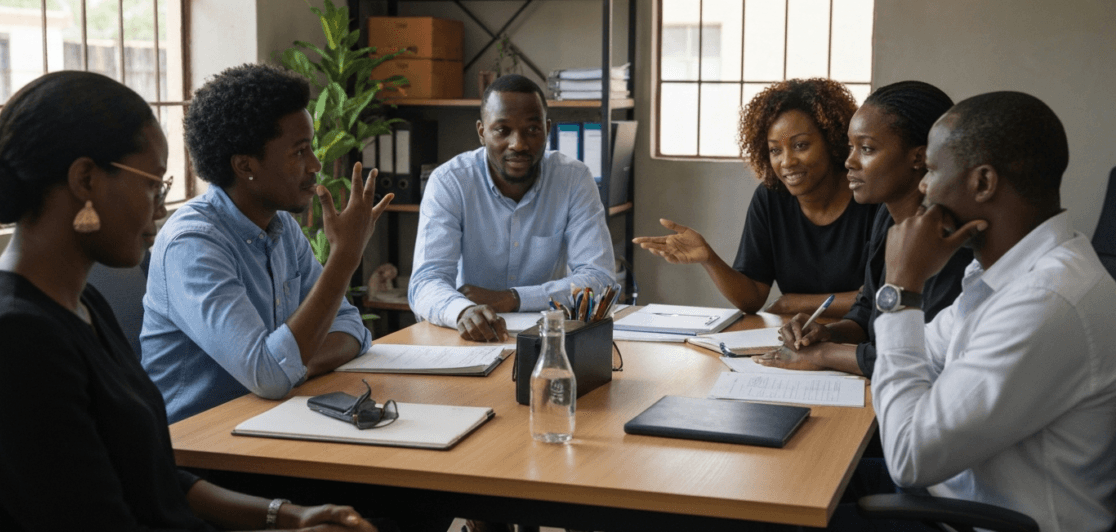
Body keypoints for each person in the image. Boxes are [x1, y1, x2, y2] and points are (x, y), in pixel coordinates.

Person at [0, 71, 376, 531]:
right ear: (85, 179)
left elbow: (153, 478)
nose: (161, 209)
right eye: (152, 185)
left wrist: (286, 517)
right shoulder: (13, 334)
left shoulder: (84, 307)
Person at [862, 92, 1116, 531]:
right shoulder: (1007, 274)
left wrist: (902, 289)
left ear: (983, 183)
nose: (922, 186)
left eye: (934, 170)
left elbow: (908, 456)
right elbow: (926, 354)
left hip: (979, 520)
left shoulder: (1047, 300)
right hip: (952, 496)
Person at [142, 64, 390, 424]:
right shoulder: (192, 244)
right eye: (299, 152)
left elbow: (352, 329)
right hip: (200, 446)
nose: (316, 165)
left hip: (272, 422)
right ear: (245, 166)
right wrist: (344, 256)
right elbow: (271, 376)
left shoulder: (281, 227)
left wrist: (293, 367)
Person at [756, 81, 972, 377]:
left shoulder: (947, 238)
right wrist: (827, 333)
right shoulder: (886, 214)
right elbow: (866, 310)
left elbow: (915, 355)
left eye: (867, 149)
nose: (849, 162)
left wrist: (823, 353)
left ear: (918, 157)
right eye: (851, 147)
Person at [634, 78, 877, 316]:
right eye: (775, 150)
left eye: (801, 145)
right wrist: (709, 258)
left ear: (832, 141)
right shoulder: (771, 198)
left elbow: (880, 296)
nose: (787, 162)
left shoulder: (871, 197)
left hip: (865, 341)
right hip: (799, 338)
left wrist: (794, 304)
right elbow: (752, 298)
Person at [408, 73, 615, 342]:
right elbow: (425, 281)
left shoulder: (573, 179)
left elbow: (599, 278)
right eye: (502, 130)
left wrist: (513, 298)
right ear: (482, 132)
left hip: (547, 338)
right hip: (467, 338)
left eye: (532, 130)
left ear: (547, 129)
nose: (518, 144)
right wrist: (463, 311)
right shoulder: (450, 182)